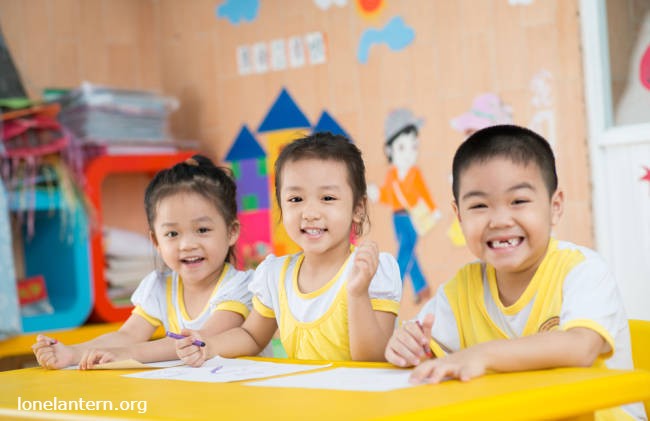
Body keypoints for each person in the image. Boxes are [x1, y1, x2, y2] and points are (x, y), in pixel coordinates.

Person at [385, 125, 646, 421]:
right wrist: (408, 347)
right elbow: (428, 349)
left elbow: (580, 346)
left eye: (518, 201)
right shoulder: (460, 290)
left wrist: (482, 355)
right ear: (459, 217)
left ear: (555, 206)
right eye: (479, 205)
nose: (499, 220)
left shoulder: (583, 271)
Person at [176, 132, 402, 366]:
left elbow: (372, 359)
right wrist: (208, 345)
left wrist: (357, 293)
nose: (310, 213)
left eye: (327, 197)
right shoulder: (276, 274)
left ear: (358, 208)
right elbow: (252, 336)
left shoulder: (372, 271)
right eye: (296, 199)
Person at [32, 155, 253, 369]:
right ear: (155, 241)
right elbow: (127, 335)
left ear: (232, 232)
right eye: (172, 234)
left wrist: (125, 354)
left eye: (202, 230)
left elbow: (196, 341)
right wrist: (73, 353)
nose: (186, 244)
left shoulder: (239, 288)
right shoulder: (159, 285)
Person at [368, 108, 440, 304]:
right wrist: (376, 194)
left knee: (406, 250)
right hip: (397, 217)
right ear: (390, 150)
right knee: (410, 252)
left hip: (413, 216)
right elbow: (388, 196)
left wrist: (433, 210)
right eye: (402, 147)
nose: (409, 153)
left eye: (413, 146)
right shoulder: (392, 175)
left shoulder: (414, 173)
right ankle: (422, 288)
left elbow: (424, 192)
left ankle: (395, 283)